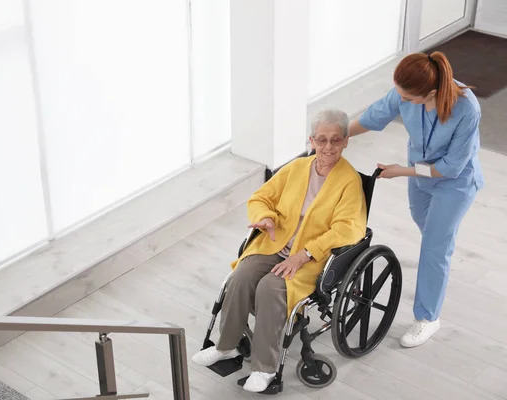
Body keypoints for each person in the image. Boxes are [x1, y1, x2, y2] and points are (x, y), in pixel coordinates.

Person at [191, 109, 367, 392]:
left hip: (312, 258)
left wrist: (306, 253)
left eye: (336, 140)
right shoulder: (298, 169)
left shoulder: (349, 181)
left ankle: (265, 368)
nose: (328, 147)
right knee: (241, 277)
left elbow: (349, 228)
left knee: (270, 288)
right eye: (321, 140)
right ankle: (226, 347)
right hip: (276, 243)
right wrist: (267, 217)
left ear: (346, 141)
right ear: (311, 140)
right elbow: (261, 197)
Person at [348, 51, 484, 348]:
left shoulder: (467, 110)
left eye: (408, 99)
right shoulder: (406, 92)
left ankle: (428, 318)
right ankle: (439, 255)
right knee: (429, 233)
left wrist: (402, 171)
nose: (402, 101)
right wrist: (338, 136)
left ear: (431, 94)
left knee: (434, 248)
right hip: (419, 177)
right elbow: (375, 115)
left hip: (454, 183)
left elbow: (451, 167)